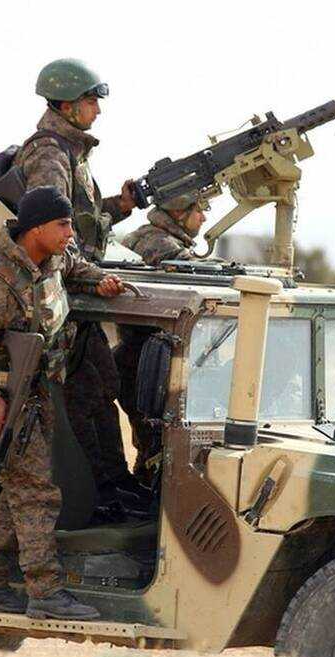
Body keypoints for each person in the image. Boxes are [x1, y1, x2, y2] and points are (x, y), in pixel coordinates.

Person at [0, 187, 127, 620]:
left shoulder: (53, 259)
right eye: (63, 225)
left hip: (38, 391)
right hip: (5, 398)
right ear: (36, 228)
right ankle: (45, 592)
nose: (70, 233)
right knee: (37, 493)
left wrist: (100, 281)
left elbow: (76, 268)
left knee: (18, 492)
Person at [15, 57, 144, 511]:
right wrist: (91, 275)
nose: (98, 110)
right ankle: (96, 492)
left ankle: (114, 483)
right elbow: (49, 231)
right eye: (91, 101)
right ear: (68, 105)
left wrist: (120, 206)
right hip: (63, 294)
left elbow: (77, 222)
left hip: (78, 288)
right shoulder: (50, 154)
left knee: (101, 384)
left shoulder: (71, 153)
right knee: (84, 393)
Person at [114, 192, 208, 480]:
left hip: (140, 357)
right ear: (179, 212)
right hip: (152, 364)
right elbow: (203, 277)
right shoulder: (161, 245)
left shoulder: (142, 236)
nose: (203, 218)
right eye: (199, 210)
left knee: (148, 444)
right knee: (157, 448)